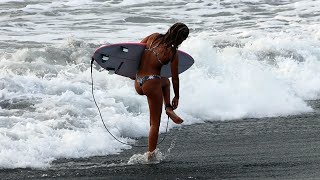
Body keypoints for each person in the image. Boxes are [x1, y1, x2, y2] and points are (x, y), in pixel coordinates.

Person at [134, 23, 189, 159]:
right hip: (151, 84)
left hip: (138, 82)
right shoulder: (172, 52)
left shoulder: (153, 37)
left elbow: (135, 52)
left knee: (165, 81)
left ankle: (168, 107)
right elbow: (175, 78)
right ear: (181, 39)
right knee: (154, 123)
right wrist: (177, 96)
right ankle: (150, 156)